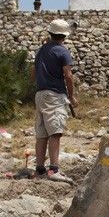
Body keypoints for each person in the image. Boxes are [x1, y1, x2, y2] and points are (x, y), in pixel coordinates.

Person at [32, 19, 78, 183]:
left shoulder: (41, 51)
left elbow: (33, 73)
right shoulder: (62, 52)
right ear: (64, 36)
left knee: (41, 133)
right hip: (54, 95)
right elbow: (68, 75)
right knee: (55, 132)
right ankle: (54, 169)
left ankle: (39, 169)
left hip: (40, 94)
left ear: (50, 33)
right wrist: (71, 96)